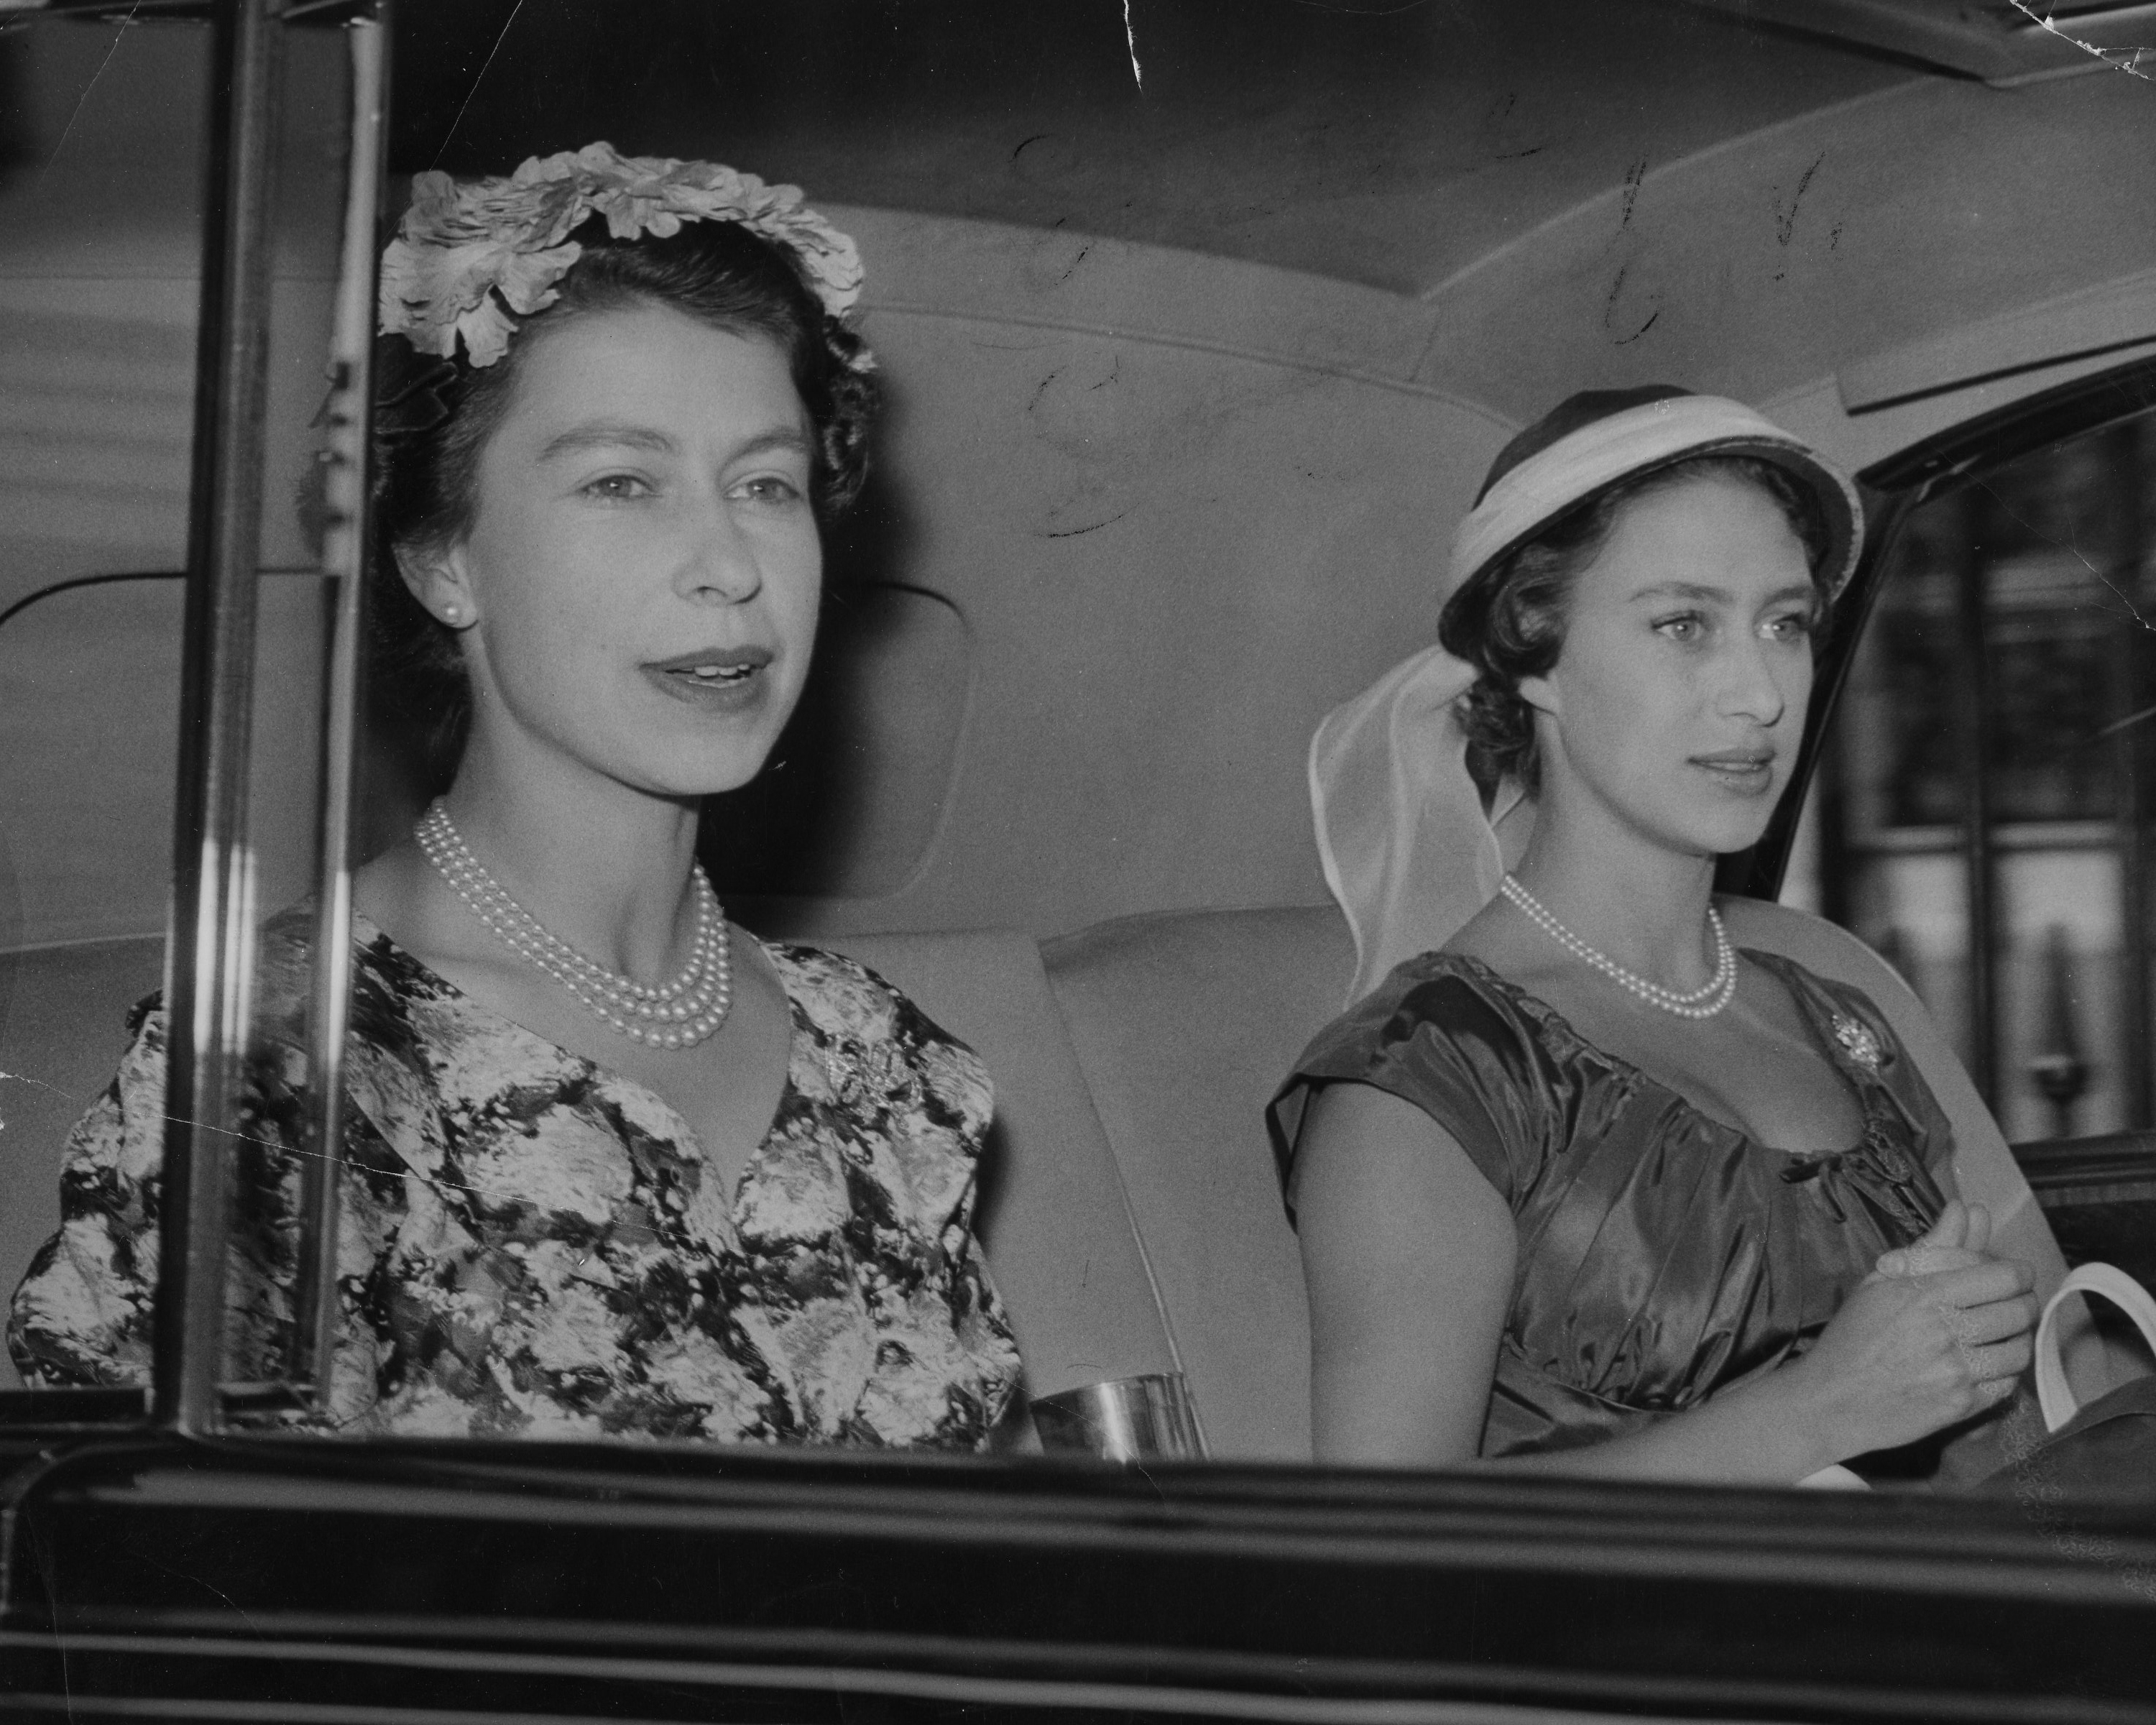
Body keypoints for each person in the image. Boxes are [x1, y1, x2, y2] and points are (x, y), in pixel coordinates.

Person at [6, 144, 1021, 1447]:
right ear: (441, 561)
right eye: (621, 483)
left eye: (765, 484)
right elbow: (125, 1608)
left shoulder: (885, 1063)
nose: (728, 565)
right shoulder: (289, 1074)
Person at [1271, 386, 2053, 1485]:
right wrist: (1817, 1411)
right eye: (1684, 625)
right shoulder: (1426, 1077)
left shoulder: (1836, 1011)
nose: (1760, 697)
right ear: (1533, 655)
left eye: (1784, 625)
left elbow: (2056, 1368)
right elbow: (1378, 1561)